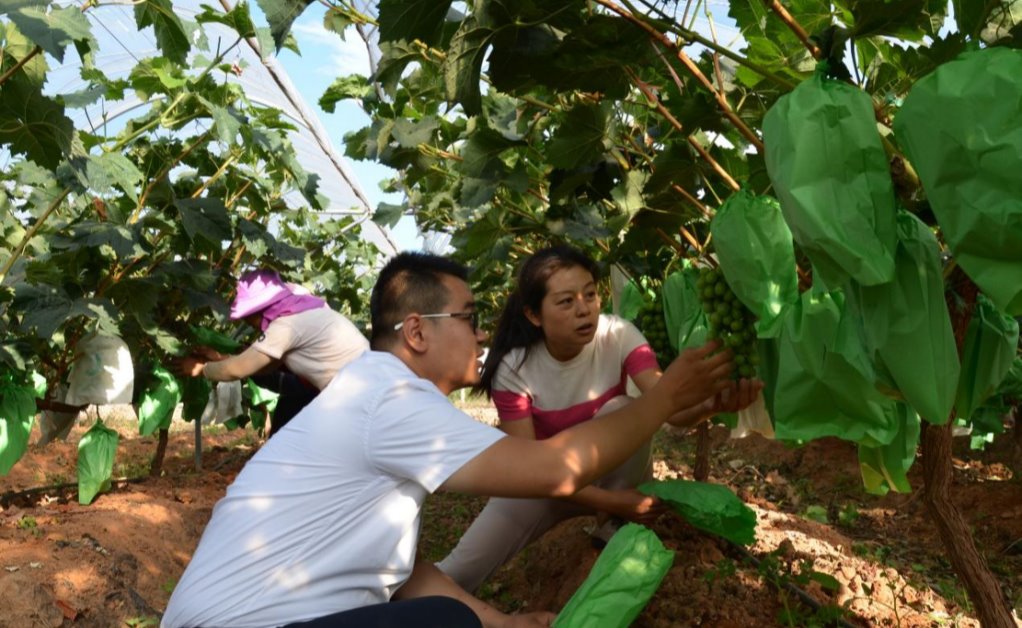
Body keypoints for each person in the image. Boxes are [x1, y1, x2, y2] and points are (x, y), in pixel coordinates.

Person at [161, 252, 741, 628]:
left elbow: (401, 570)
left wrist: (500, 621)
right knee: (444, 625)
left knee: (449, 614)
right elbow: (551, 473)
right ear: (416, 331)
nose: (481, 332)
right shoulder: (389, 399)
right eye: (468, 317)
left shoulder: (372, 395)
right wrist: (662, 401)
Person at [437, 245, 762, 594]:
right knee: (456, 574)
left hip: (612, 480)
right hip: (542, 490)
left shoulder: (618, 335)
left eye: (590, 295)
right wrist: (613, 502)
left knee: (624, 407)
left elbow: (666, 405)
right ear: (534, 314)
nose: (584, 310)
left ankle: (614, 528)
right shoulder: (515, 370)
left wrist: (712, 406)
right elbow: (530, 473)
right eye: (566, 302)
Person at [175, 269, 369, 434]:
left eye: (250, 320)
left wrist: (202, 369)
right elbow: (267, 367)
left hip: (353, 401)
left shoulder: (286, 325)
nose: (254, 327)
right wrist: (223, 358)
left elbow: (238, 369)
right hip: (362, 390)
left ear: (260, 311)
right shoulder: (303, 312)